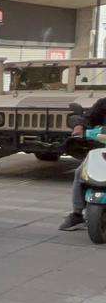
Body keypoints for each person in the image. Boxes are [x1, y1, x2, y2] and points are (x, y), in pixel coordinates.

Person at [61, 97, 106, 230]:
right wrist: (79, 126)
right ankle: (77, 214)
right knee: (80, 173)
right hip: (103, 149)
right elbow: (88, 117)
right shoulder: (103, 103)